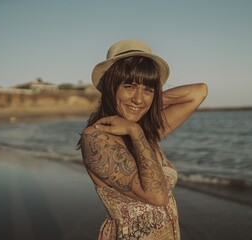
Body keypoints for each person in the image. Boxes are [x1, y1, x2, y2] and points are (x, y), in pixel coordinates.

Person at [78, 39, 207, 239]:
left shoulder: (146, 132)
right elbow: (157, 196)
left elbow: (199, 92)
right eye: (129, 86)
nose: (139, 98)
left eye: (148, 89)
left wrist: (150, 103)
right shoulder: (96, 137)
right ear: (110, 87)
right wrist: (135, 131)